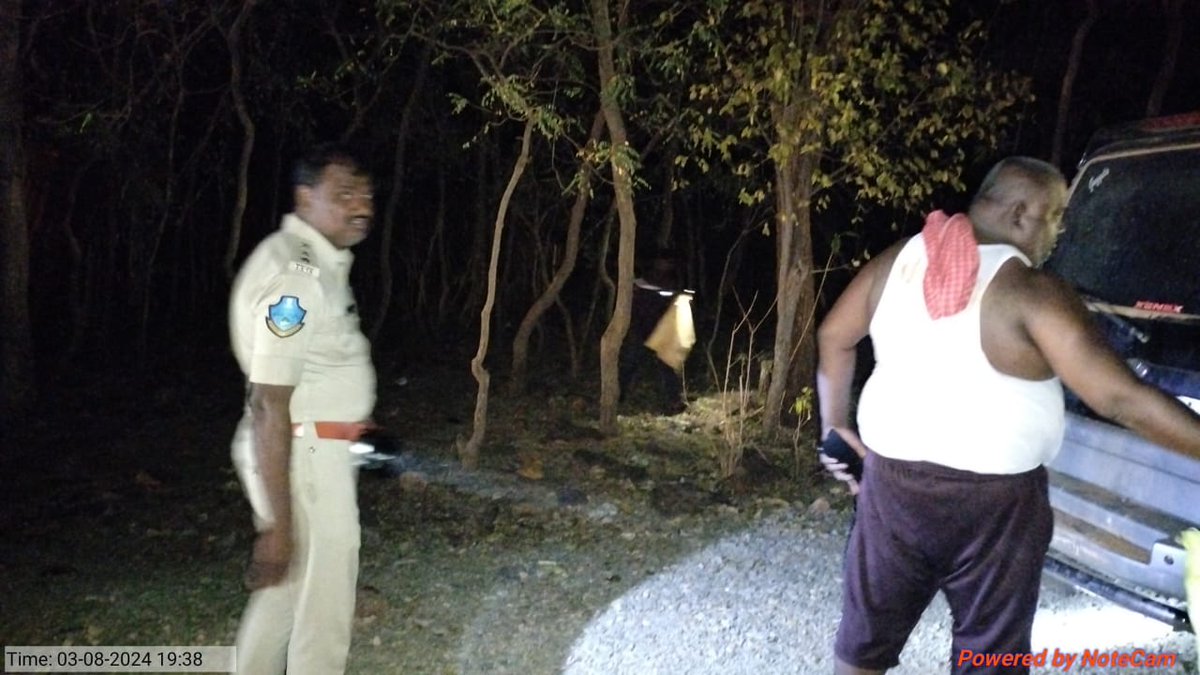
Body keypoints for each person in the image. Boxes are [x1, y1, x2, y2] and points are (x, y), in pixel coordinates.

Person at [815, 156, 1200, 675]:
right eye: (1055, 216)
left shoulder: (896, 261)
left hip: (892, 492)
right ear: (1022, 214)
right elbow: (1119, 400)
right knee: (990, 654)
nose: (1058, 233)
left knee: (865, 641)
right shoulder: (1030, 290)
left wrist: (834, 427)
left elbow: (833, 338)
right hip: (994, 510)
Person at [227, 143, 376, 675]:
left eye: (365, 194)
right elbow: (270, 401)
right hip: (303, 453)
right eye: (343, 195)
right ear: (305, 197)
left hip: (313, 445)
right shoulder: (297, 274)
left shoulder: (316, 264)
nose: (360, 206)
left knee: (287, 596)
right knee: (324, 617)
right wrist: (279, 526)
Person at [620, 255, 688, 414]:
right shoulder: (642, 281)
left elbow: (675, 306)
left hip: (661, 332)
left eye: (667, 262)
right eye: (662, 261)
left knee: (666, 367)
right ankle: (618, 395)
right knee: (630, 364)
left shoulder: (671, 283)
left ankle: (674, 401)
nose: (664, 265)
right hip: (641, 330)